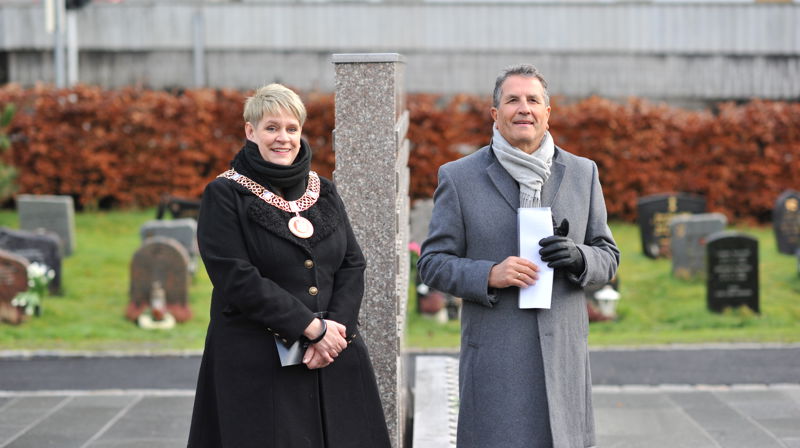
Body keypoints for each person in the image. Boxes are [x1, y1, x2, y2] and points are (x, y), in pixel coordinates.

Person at [418, 65, 620, 448]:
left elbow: (608, 255)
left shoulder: (582, 173)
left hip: (562, 357)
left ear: (548, 111)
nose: (523, 108)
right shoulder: (460, 177)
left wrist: (578, 258)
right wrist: (489, 274)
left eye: (533, 100)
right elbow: (432, 262)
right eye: (513, 100)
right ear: (496, 114)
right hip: (496, 356)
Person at [188, 83, 391, 448]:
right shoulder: (224, 194)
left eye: (291, 128)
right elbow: (236, 277)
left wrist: (335, 332)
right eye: (272, 128)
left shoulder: (324, 190)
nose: (283, 138)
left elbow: (352, 264)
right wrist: (309, 327)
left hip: (333, 355)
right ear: (251, 132)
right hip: (257, 362)